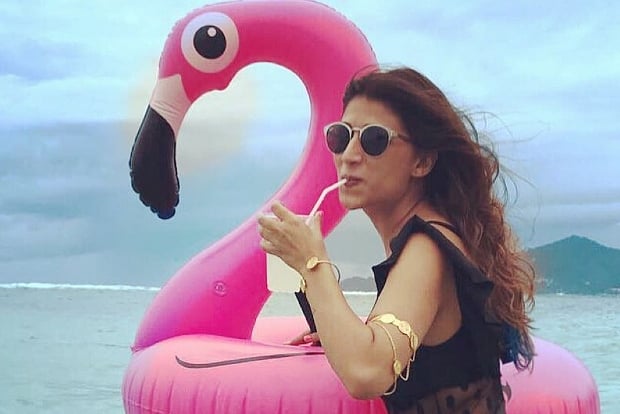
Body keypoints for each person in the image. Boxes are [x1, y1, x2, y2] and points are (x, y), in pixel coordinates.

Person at [257, 67, 535, 414]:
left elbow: (366, 373)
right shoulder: (437, 237)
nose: (349, 155)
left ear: (422, 162)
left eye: (374, 140)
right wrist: (338, 332)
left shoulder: (427, 248)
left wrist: (311, 262)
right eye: (341, 136)